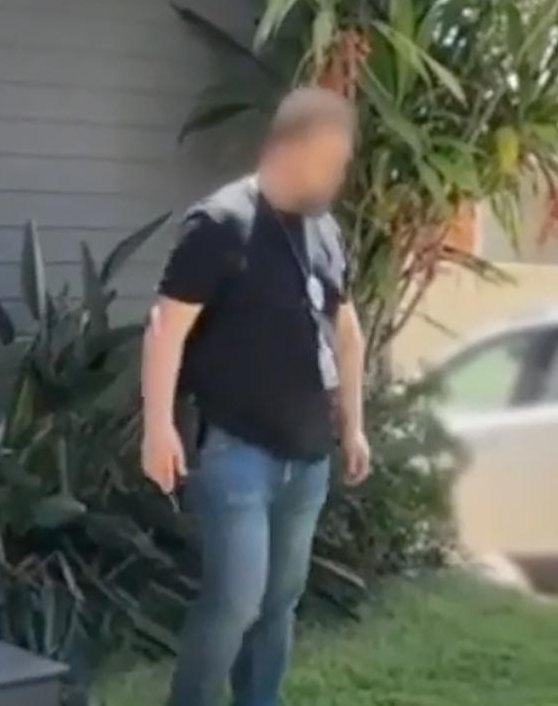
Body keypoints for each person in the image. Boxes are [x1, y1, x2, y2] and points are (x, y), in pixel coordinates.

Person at [139, 88, 372, 706]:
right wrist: (158, 428)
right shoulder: (220, 224)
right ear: (290, 149)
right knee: (236, 602)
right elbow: (165, 328)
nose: (340, 175)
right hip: (235, 450)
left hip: (308, 456)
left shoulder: (325, 231)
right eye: (332, 161)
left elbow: (346, 331)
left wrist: (353, 425)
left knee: (279, 602)